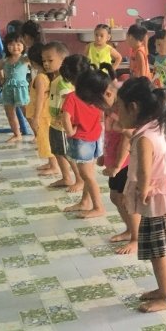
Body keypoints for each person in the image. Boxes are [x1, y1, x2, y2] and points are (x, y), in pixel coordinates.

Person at [116, 77, 166, 313]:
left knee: (158, 252)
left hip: (156, 200)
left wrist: (141, 191)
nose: (117, 113)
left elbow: (145, 170)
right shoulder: (156, 127)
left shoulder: (144, 138)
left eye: (119, 108)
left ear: (133, 108)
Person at [63, 66, 114, 219]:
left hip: (82, 141)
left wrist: (70, 131)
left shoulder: (72, 97)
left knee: (87, 175)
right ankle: (85, 202)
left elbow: (65, 117)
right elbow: (101, 116)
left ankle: (98, 207)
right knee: (89, 174)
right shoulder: (99, 98)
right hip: (96, 137)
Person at [99, 73, 136, 255]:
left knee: (126, 200)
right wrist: (104, 156)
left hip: (125, 163)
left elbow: (125, 140)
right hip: (113, 160)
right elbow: (109, 136)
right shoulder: (108, 110)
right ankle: (129, 229)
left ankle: (136, 237)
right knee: (115, 197)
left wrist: (118, 164)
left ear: (109, 94)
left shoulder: (121, 112)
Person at [42, 43, 81, 192]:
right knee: (57, 151)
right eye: (44, 60)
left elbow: (69, 99)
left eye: (50, 60)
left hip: (62, 124)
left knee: (67, 153)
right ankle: (66, 177)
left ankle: (80, 179)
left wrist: (65, 115)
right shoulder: (56, 78)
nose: (46, 63)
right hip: (55, 123)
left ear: (63, 60)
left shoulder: (62, 81)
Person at [24, 43, 56, 175]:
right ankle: (51, 163)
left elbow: (40, 99)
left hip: (42, 114)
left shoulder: (40, 78)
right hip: (44, 113)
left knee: (45, 139)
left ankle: (54, 166)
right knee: (44, 138)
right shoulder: (44, 76)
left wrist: (36, 117)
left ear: (33, 61)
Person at [0, 31, 30, 143]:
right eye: (11, 44)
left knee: (27, 113)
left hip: (21, 89)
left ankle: (37, 133)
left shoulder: (25, 59)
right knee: (10, 114)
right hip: (8, 89)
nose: (15, 47)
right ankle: (17, 134)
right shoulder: (5, 59)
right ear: (6, 46)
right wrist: (1, 79)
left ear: (23, 46)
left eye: (18, 44)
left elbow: (35, 66)